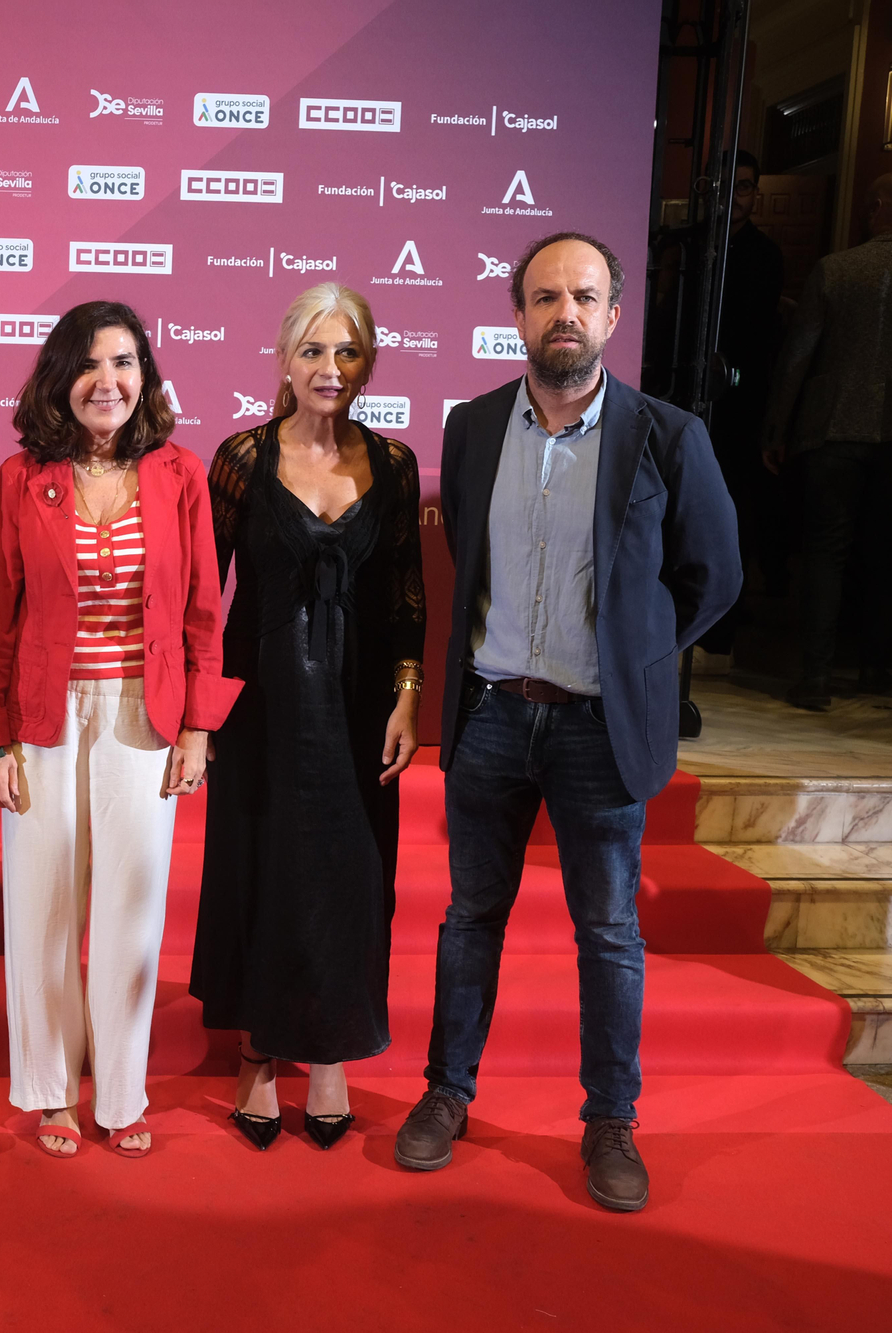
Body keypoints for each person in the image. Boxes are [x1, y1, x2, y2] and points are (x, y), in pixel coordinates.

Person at [396, 233, 738, 1212]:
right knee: (469, 919)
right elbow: (465, 555)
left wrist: (635, 651)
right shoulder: (468, 430)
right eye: (544, 296)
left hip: (598, 729)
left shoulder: (667, 436)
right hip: (493, 719)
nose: (564, 314)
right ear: (516, 314)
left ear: (612, 314)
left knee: (607, 931)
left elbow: (711, 575)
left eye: (582, 296)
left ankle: (609, 1121)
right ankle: (445, 1093)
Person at [0, 302, 226, 1159]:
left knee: (128, 912)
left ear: (145, 375)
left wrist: (197, 726)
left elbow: (201, 613)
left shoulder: (180, 474)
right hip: (42, 716)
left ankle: (120, 1092)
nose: (106, 381)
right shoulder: (18, 478)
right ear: (58, 380)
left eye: (123, 362)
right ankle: (48, 1089)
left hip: (143, 718)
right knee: (41, 909)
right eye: (88, 364)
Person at [189, 283, 424, 1153]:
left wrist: (407, 693)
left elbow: (407, 593)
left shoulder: (391, 464)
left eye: (349, 352)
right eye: (316, 351)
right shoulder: (240, 458)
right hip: (261, 705)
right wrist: (198, 712)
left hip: (358, 707)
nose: (332, 369)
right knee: (261, 867)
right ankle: (257, 1056)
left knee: (352, 877)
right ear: (286, 359)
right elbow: (202, 600)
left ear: (368, 364)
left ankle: (329, 1055)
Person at [764, 173, 892, 709]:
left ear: (877, 209)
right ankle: (876, 671)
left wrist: (775, 428)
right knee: (886, 554)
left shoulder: (836, 270)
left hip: (834, 429)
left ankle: (815, 677)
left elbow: (797, 358)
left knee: (825, 552)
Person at [693, 149, 786, 669]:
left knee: (730, 515)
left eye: (746, 188)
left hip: (739, 405)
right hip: (683, 398)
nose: (737, 199)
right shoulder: (687, 248)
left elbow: (756, 335)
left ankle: (721, 634)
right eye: (728, 187)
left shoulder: (766, 255)